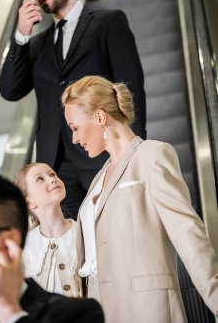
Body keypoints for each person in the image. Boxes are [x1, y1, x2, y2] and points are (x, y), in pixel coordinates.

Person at [0, 0, 146, 220]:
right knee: (73, 250)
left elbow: (131, 89)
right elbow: (10, 89)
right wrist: (21, 34)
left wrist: (131, 153)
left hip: (103, 153)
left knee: (115, 232)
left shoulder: (108, 22)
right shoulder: (39, 44)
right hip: (56, 167)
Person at [61, 75, 218, 323]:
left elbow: (187, 233)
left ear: (100, 117)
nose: (74, 139)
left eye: (75, 127)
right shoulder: (97, 180)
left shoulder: (153, 155)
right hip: (100, 311)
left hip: (146, 309)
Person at [0, 175, 104, 323]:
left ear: (8, 242)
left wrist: (8, 311)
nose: (52, 180)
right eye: (40, 179)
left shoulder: (79, 314)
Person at [14, 162, 79, 296]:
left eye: (52, 174)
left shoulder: (85, 232)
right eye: (40, 179)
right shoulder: (24, 247)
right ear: (29, 203)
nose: (52, 179)